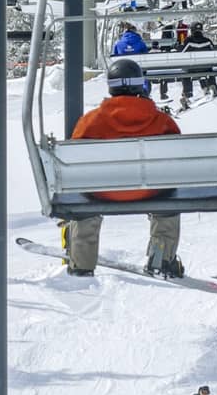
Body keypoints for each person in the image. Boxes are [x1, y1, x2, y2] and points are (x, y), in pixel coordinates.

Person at [64, 57, 181, 277]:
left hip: (102, 192)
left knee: (84, 202)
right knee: (168, 201)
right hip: (151, 191)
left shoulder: (91, 121)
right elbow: (176, 156)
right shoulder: (162, 121)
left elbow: (74, 158)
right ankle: (162, 259)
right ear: (141, 85)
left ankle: (82, 263)